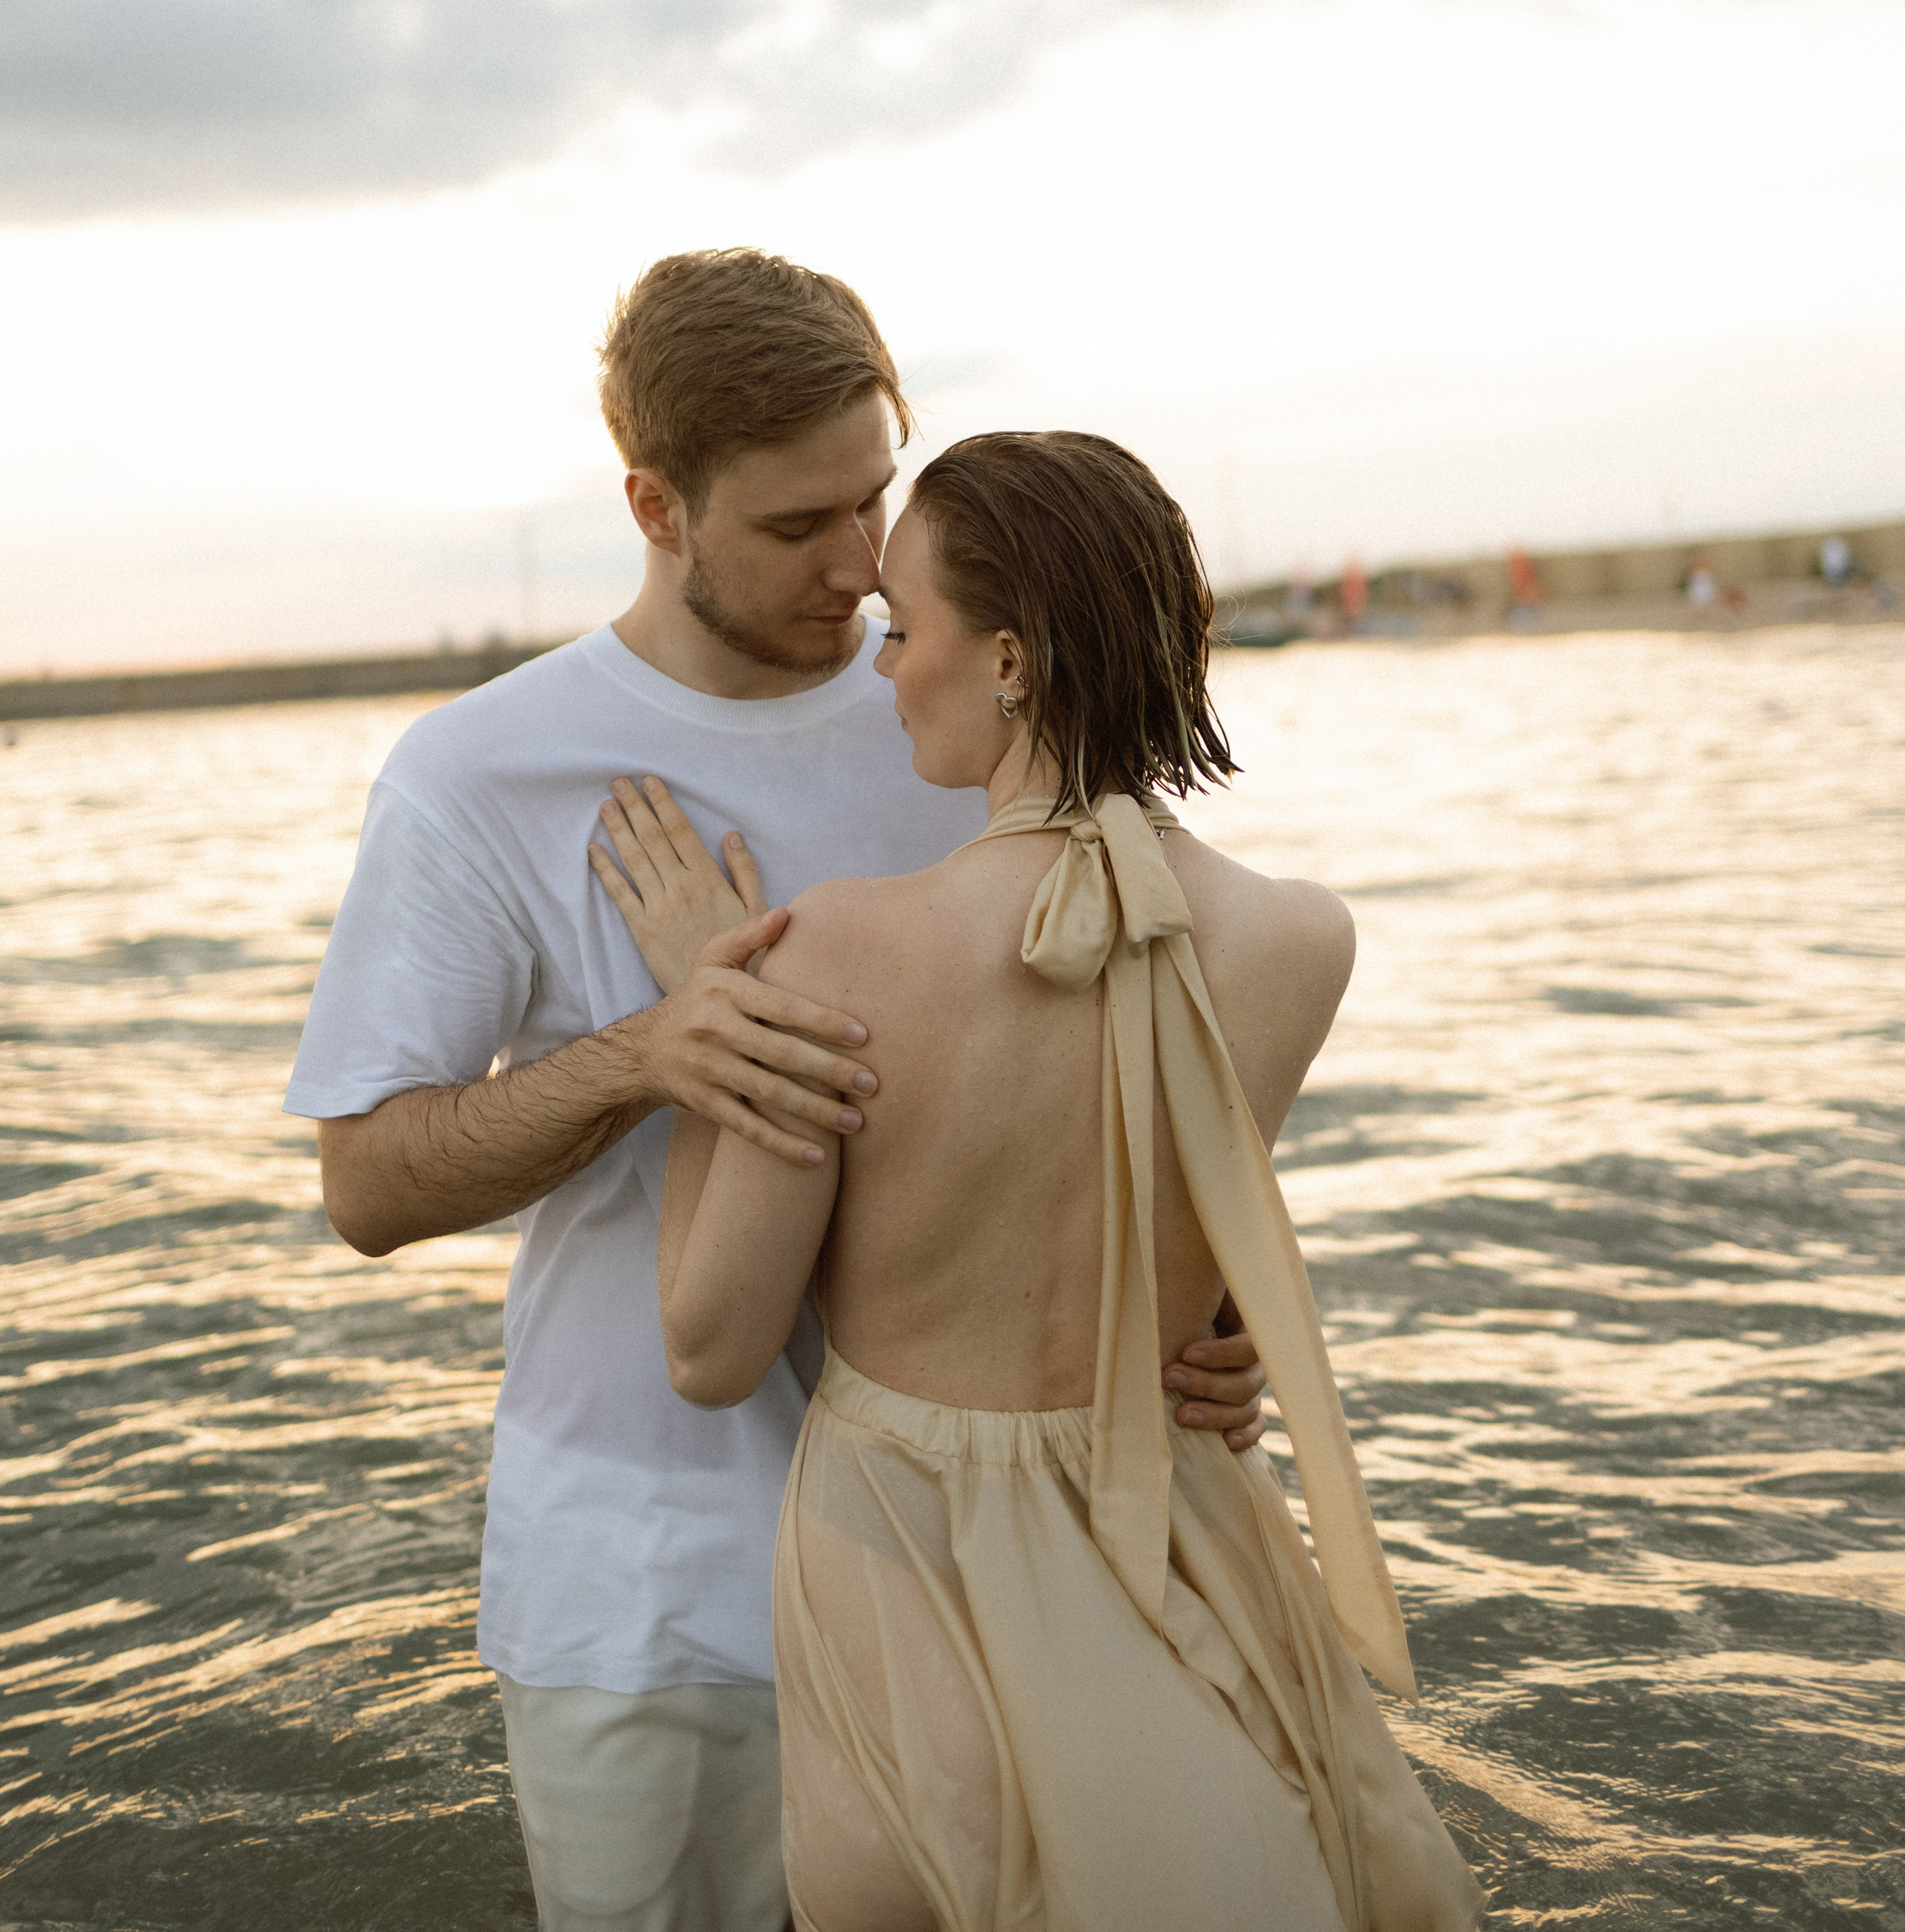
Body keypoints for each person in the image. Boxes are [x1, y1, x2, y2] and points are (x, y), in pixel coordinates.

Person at [281, 252, 1271, 1932]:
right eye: (795, 524)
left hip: (1004, 1567)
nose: (859, 564)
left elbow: (1121, 1064)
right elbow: (369, 1186)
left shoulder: (965, 704)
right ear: (653, 504)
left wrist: (1210, 1309)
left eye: (875, 497)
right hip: (656, 1582)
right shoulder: (478, 776)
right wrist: (650, 1054)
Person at [639, 432, 1484, 1930]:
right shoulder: (1301, 943)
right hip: (1173, 1519)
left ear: (1011, 661)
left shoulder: (829, 953)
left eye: (904, 629)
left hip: (902, 1548)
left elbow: (710, 1349)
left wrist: (703, 1012)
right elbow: (1170, 1233)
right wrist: (1227, 1348)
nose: (884, 666)